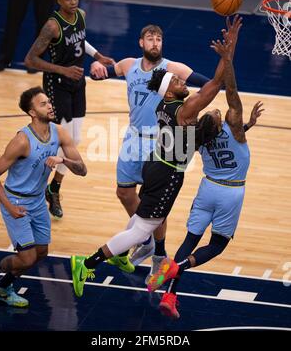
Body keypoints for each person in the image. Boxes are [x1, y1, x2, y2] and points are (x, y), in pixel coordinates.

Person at [70, 27, 238, 299]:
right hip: (166, 173)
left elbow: (200, 99)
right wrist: (227, 56)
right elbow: (214, 86)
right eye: (176, 82)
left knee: (142, 221)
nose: (183, 82)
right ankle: (87, 263)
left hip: (158, 164)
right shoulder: (183, 110)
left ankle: (145, 252)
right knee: (142, 229)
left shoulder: (165, 106)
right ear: (168, 92)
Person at [146, 60, 264, 320]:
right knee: (218, 244)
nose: (219, 112)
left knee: (190, 239)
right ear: (225, 125)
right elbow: (231, 93)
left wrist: (249, 125)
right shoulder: (235, 133)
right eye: (218, 114)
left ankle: (170, 295)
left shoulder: (198, 139)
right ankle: (177, 267)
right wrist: (229, 59)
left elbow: (216, 129)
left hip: (207, 189)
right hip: (230, 193)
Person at [90, 24, 211, 273]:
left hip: (159, 142)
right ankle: (142, 236)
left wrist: (187, 113)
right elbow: (100, 74)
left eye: (159, 39)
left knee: (154, 201)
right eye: (150, 38)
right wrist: (97, 69)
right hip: (132, 137)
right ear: (141, 43)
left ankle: (158, 250)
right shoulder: (127, 65)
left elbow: (207, 85)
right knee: (124, 193)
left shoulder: (173, 69)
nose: (155, 42)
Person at [25, 0, 114, 219]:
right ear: (58, 0)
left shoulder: (82, 15)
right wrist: (63, 70)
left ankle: (54, 187)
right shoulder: (52, 26)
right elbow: (30, 60)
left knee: (75, 138)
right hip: (58, 85)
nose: (73, 2)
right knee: (65, 141)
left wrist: (98, 55)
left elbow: (80, 40)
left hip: (77, 83)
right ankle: (39, 187)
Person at [0, 86, 87, 307]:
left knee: (41, 252)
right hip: (16, 201)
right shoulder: (22, 141)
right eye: (43, 104)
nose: (50, 105)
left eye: (49, 102)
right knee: (27, 257)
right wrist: (9, 206)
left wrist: (64, 161)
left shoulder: (60, 132)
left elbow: (82, 170)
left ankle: (2, 286)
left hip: (37, 201)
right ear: (32, 112)